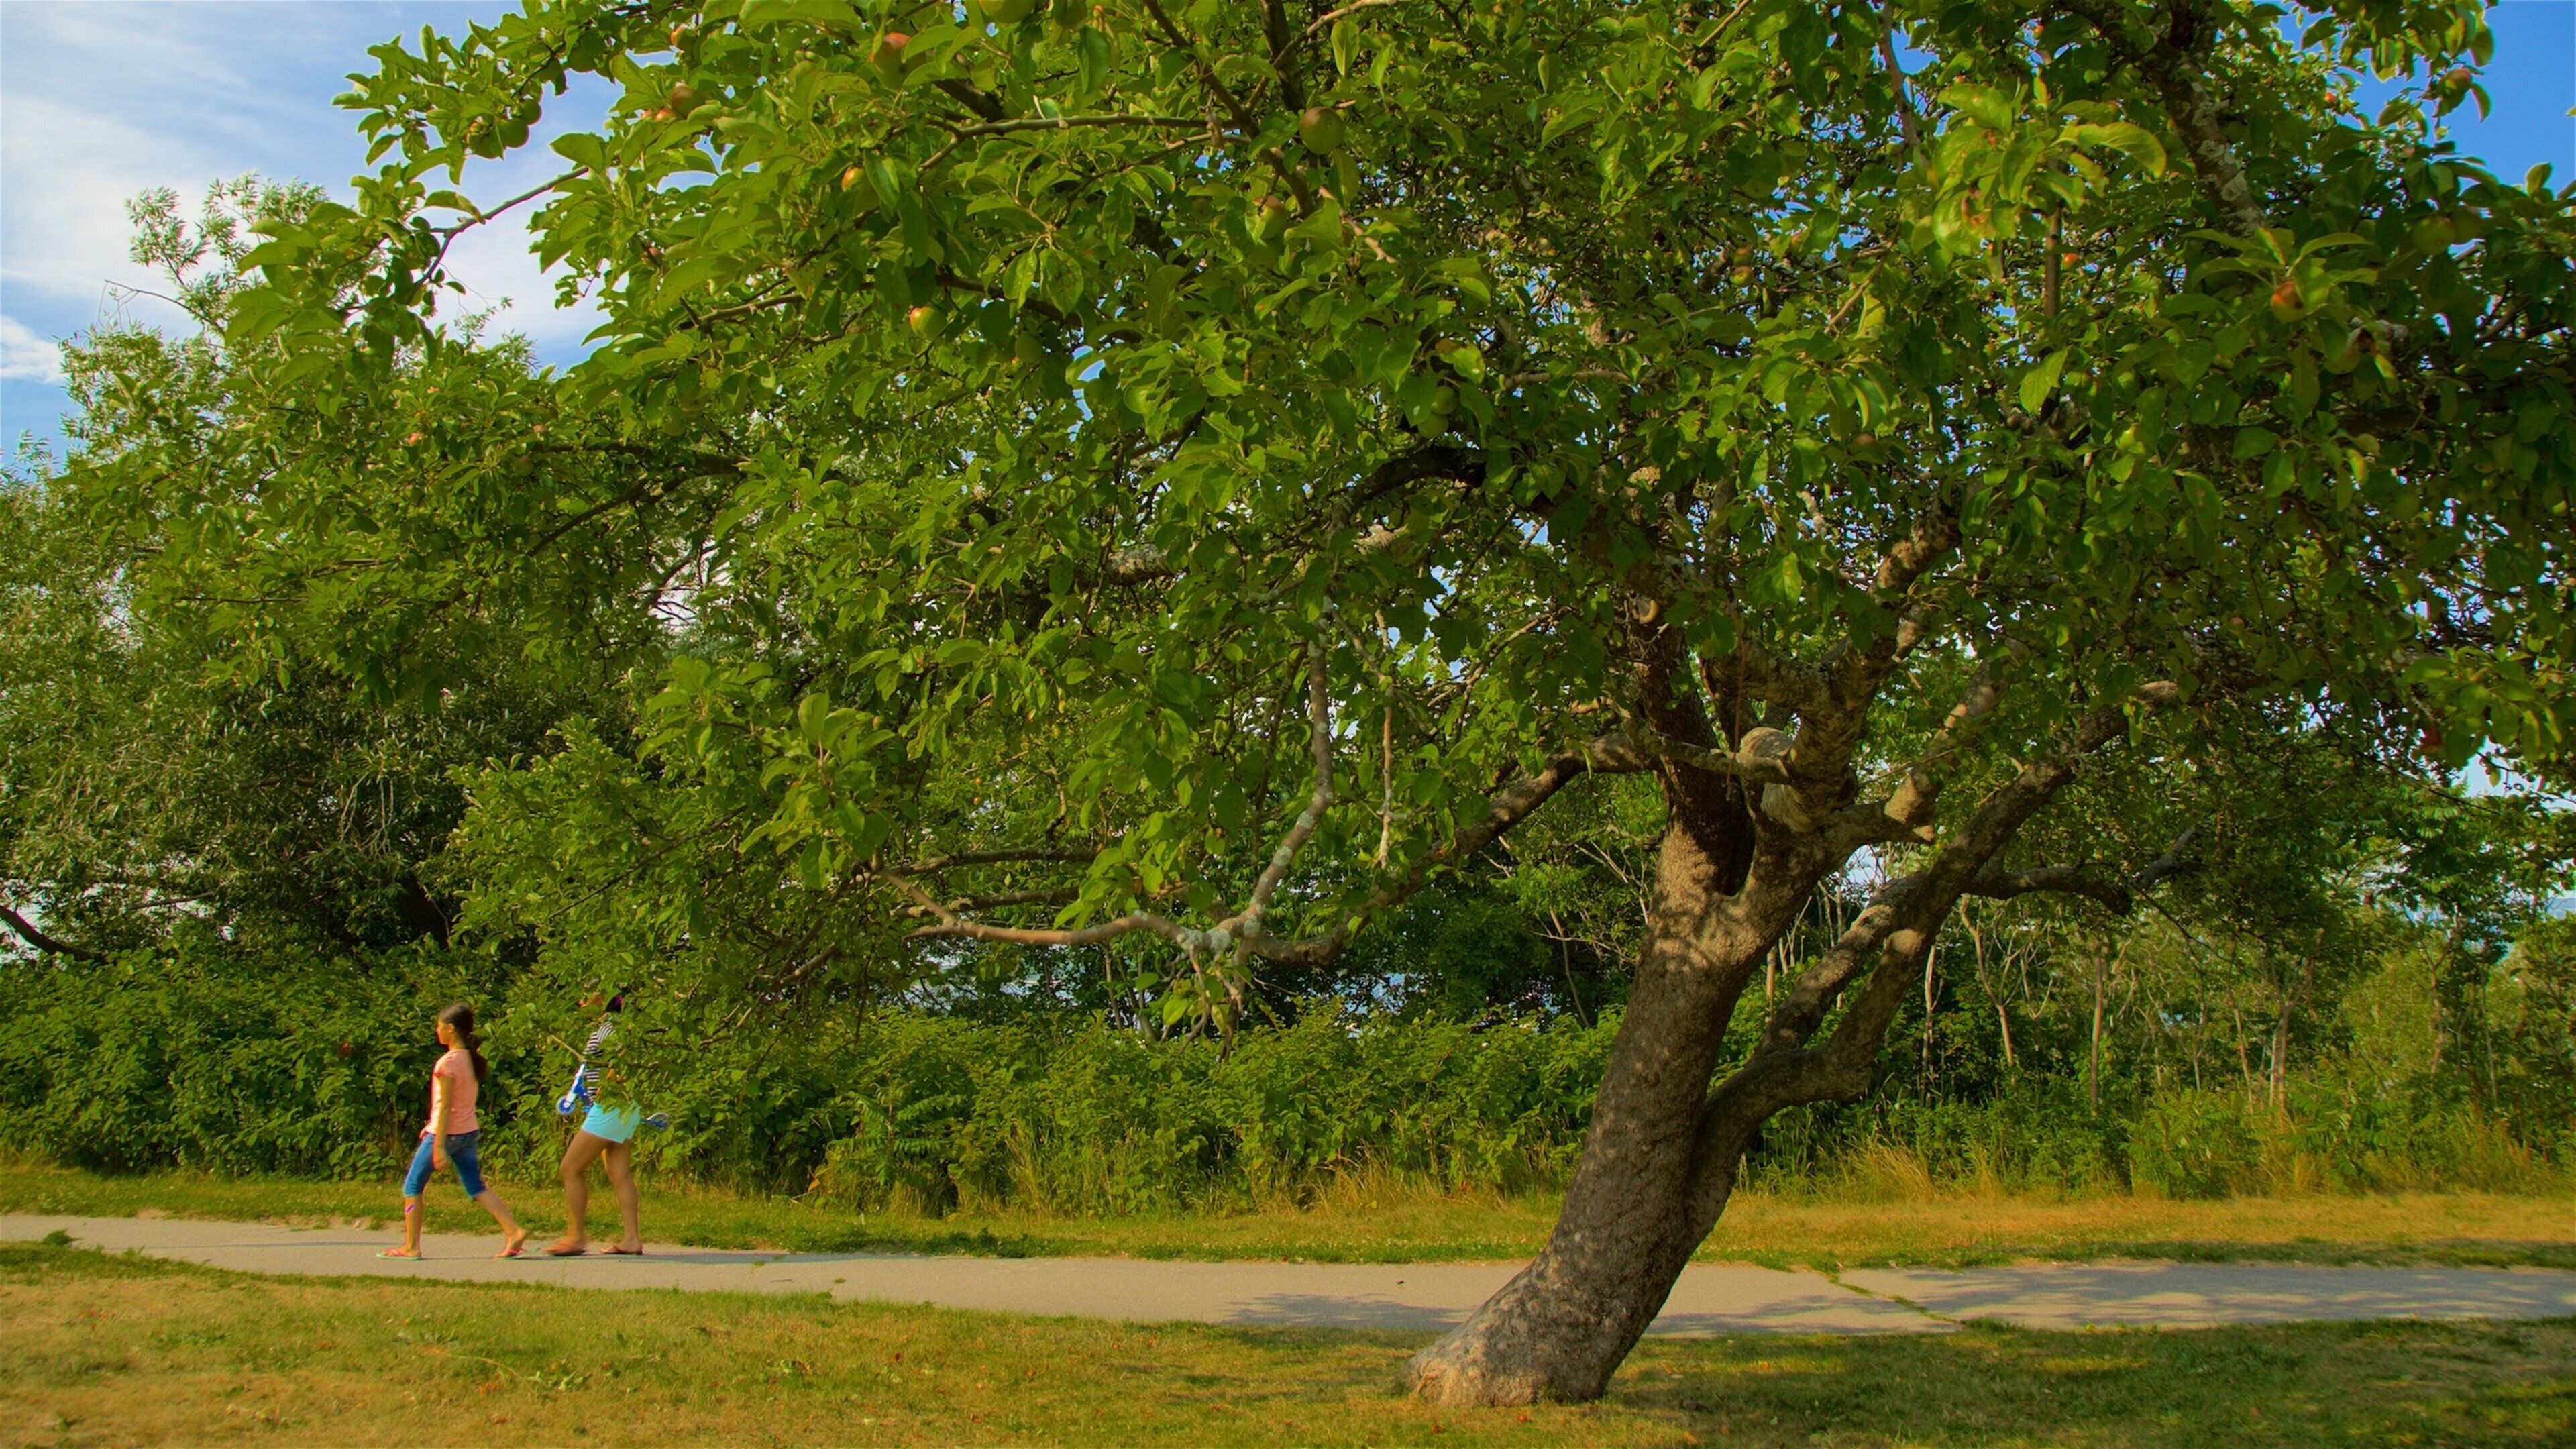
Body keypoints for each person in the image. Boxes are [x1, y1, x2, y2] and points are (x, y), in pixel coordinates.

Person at [382, 1002, 528, 1260]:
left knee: (412, 1185)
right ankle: (514, 1230)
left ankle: (411, 1247)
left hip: (446, 1134)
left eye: (439, 1026)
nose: (436, 1031)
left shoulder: (447, 1063)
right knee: (475, 1186)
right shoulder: (470, 1059)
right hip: (468, 1132)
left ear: (451, 1029)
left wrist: (437, 1144)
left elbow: (446, 1105)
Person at [545, 992, 645, 1256]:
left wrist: (609, 1085)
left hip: (611, 1106)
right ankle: (631, 1239)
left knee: (570, 1168)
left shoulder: (610, 1026)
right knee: (619, 1174)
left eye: (586, 995)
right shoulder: (618, 1024)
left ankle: (576, 1237)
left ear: (603, 998)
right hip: (624, 1106)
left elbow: (624, 1057)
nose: (581, 1000)